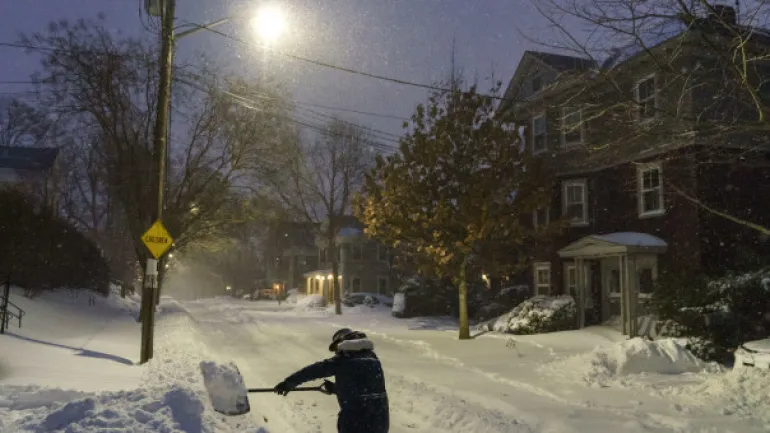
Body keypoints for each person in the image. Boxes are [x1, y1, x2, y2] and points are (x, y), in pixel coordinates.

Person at [273, 328, 390, 433]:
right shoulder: (373, 358)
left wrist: (289, 383)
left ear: (342, 342)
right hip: (380, 418)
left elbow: (313, 371)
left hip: (355, 419)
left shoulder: (343, 360)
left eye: (337, 348)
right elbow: (367, 389)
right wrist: (336, 388)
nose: (336, 352)